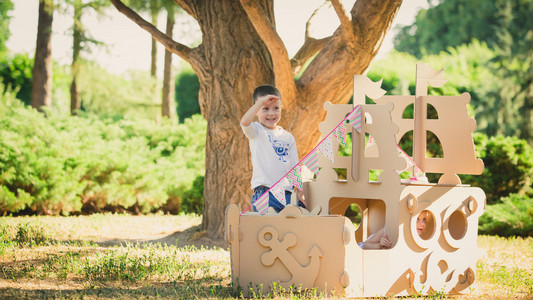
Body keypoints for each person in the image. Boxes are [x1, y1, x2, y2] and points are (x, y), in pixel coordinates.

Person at [240, 84, 306, 213]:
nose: (271, 113)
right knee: (268, 229)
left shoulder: (288, 137)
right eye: (265, 108)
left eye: (276, 108)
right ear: (257, 110)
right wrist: (259, 103)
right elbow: (244, 122)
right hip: (265, 194)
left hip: (288, 194)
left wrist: (301, 191)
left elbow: (294, 166)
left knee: (292, 227)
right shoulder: (256, 131)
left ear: (281, 108)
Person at [358, 210, 431, 249]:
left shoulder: (420, 239)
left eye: (424, 219)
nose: (423, 224)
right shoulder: (391, 229)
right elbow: (365, 245)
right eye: (417, 219)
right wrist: (379, 245)